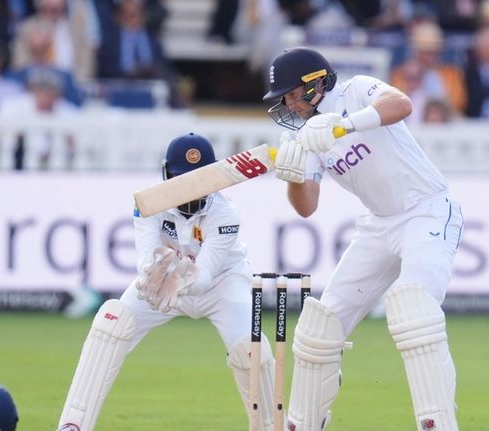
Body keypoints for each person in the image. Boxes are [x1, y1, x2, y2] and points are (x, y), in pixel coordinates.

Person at [263, 47, 464, 431]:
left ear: (316, 83)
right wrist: (292, 176)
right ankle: (303, 423)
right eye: (283, 98)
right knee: (318, 328)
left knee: (415, 312)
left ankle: (439, 425)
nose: (289, 104)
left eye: (291, 94)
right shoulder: (306, 134)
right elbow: (307, 207)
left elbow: (401, 104)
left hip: (427, 210)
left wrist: (343, 126)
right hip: (378, 226)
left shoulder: (356, 91)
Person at [56, 133, 277, 431]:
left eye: (198, 180)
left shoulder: (225, 214)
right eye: (180, 180)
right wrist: (154, 273)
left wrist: (180, 279)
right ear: (167, 175)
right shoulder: (150, 203)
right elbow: (145, 258)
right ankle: (73, 425)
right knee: (112, 323)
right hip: (163, 284)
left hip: (222, 285)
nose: (188, 190)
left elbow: (205, 276)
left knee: (249, 351)